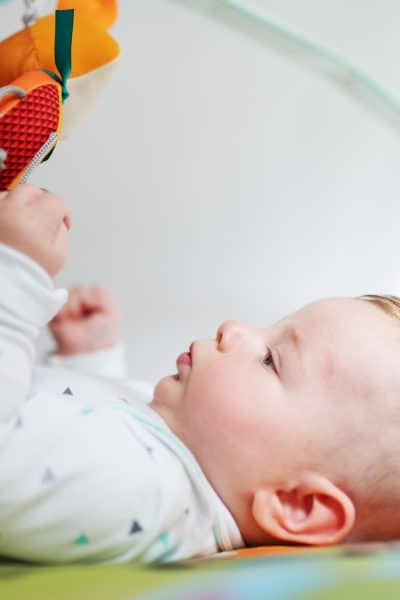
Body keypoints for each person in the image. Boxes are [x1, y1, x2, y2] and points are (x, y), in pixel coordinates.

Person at [0, 184, 399, 564]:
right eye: (268, 328)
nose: (234, 328)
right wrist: (90, 359)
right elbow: (79, 426)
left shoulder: (143, 487)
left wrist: (15, 276)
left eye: (269, 360)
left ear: (296, 503)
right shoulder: (179, 442)